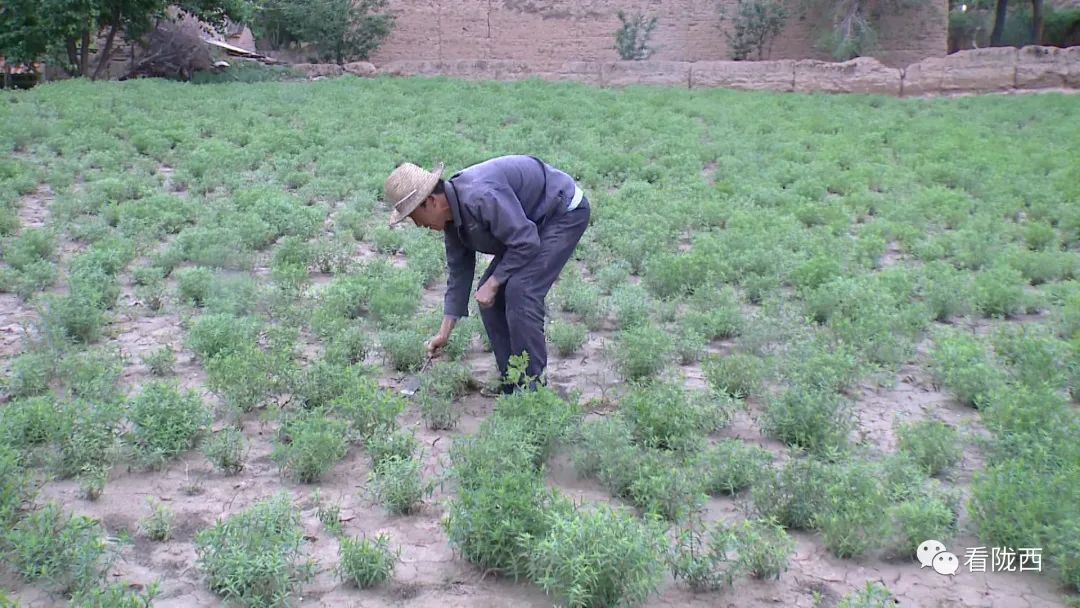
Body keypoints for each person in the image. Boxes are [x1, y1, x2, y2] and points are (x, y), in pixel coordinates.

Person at [384, 155, 590, 393]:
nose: (417, 224)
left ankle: (532, 390)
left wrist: (494, 282)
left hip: (562, 212)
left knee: (521, 290)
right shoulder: (452, 218)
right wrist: (444, 332)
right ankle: (511, 382)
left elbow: (525, 241)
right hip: (531, 225)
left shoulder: (479, 196)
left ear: (430, 201)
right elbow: (459, 273)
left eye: (412, 215)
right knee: (490, 298)